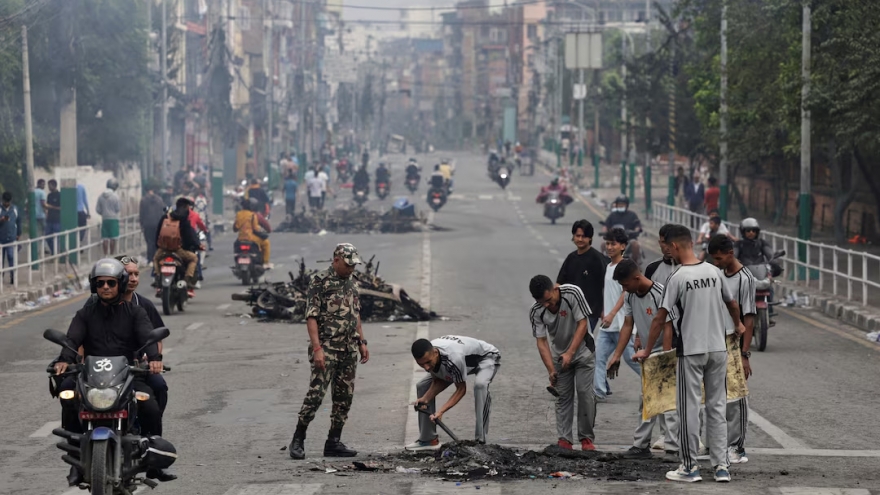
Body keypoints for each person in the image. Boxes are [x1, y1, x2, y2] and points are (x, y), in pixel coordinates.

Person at [633, 224, 745, 483]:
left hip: (691, 352)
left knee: (689, 409)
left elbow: (660, 319)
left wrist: (647, 350)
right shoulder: (714, 272)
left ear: (674, 246)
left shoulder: (678, 277)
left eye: (666, 246)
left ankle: (689, 467)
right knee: (717, 408)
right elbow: (732, 303)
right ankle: (721, 468)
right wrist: (737, 325)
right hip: (718, 349)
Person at [52, 259, 165, 486]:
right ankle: (76, 461)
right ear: (95, 286)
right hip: (91, 374)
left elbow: (147, 335)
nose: (105, 287)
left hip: (128, 374)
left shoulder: (135, 312)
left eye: (111, 283)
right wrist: (64, 360)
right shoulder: (85, 313)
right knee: (67, 393)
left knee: (150, 404)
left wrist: (154, 359)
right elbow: (73, 338)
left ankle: (152, 458)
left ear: (119, 284)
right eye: (100, 283)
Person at [288, 243, 370, 460]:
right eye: (347, 264)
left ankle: (333, 442)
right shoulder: (320, 281)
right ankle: (298, 438)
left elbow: (356, 314)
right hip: (327, 348)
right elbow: (311, 316)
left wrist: (362, 341)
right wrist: (317, 349)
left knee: (344, 398)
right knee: (316, 395)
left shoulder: (352, 282)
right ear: (336, 260)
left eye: (354, 265)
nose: (351, 268)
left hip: (349, 348)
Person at [607, 259, 678, 459]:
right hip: (647, 352)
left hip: (665, 352)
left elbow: (668, 326)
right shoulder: (630, 296)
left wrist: (664, 358)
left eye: (626, 284)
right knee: (647, 401)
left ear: (637, 278)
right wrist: (617, 355)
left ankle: (673, 447)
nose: (624, 288)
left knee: (668, 403)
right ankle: (641, 445)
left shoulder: (660, 293)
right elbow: (628, 325)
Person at [529, 275, 597, 451]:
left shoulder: (572, 293)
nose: (546, 305)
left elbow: (583, 323)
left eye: (548, 300)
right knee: (562, 397)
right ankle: (565, 440)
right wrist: (551, 370)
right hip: (560, 356)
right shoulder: (536, 310)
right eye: (541, 302)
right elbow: (542, 341)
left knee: (584, 393)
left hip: (582, 351)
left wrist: (571, 352)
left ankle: (586, 439)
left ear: (555, 289)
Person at [708, 235, 756, 465]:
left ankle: (737, 447)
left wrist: (744, 354)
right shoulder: (717, 274)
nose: (716, 262)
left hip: (734, 342)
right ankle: (718, 444)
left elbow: (749, 317)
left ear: (730, 253)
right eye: (713, 259)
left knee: (736, 396)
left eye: (719, 258)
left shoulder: (745, 279)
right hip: (717, 338)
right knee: (715, 393)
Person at [406, 336, 501, 450]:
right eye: (421, 364)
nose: (426, 367)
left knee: (480, 386)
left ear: (435, 353)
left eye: (428, 362)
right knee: (423, 386)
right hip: (461, 361)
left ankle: (480, 442)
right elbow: (438, 380)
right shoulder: (430, 354)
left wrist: (441, 411)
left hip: (486, 357)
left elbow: (461, 389)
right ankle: (429, 440)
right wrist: (425, 398)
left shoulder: (453, 358)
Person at [594, 228, 640, 400]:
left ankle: (653, 381)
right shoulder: (608, 266)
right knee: (598, 358)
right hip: (607, 326)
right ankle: (599, 392)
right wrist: (604, 311)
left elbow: (625, 293)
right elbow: (610, 292)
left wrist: (613, 313)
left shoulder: (625, 267)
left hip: (622, 325)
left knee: (631, 360)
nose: (609, 247)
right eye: (607, 243)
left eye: (613, 244)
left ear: (623, 246)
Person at [557, 220, 608, 332]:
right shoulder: (571, 258)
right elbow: (559, 283)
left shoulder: (597, 259)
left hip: (590, 311)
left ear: (590, 238)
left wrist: (605, 309)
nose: (580, 239)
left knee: (581, 343)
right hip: (571, 311)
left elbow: (606, 285)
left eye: (584, 236)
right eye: (577, 236)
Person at [153, 197, 201, 294]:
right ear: (187, 207)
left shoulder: (165, 217)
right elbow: (191, 237)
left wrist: (159, 246)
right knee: (194, 258)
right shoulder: (184, 221)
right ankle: (187, 280)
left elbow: (158, 233)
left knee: (156, 259)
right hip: (179, 251)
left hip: (164, 250)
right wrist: (197, 245)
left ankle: (158, 277)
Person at [234, 198, 272, 268]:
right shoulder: (253, 215)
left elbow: (235, 228)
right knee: (266, 243)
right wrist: (262, 232)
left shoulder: (239, 214)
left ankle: (237, 263)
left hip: (241, 239)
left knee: (236, 246)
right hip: (251, 238)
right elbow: (256, 228)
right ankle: (266, 263)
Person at [140, 185, 167, 265]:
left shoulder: (143, 200)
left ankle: (150, 259)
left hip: (147, 224)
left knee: (149, 242)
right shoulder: (159, 200)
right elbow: (163, 212)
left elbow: (142, 214)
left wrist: (142, 224)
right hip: (158, 223)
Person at [96, 178, 122, 255]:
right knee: (113, 238)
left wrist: (103, 213)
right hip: (113, 219)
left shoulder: (101, 196)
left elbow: (98, 209)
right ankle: (111, 254)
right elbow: (118, 208)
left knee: (105, 238)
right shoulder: (115, 197)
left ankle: (105, 255)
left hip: (104, 219)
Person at [0, 192, 21, 284]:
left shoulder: (15, 209)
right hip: (1, 238)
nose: (6, 203)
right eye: (5, 202)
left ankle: (13, 276)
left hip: (11, 237)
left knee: (11, 257)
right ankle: (1, 275)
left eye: (8, 202)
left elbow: (19, 221)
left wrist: (19, 233)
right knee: (0, 259)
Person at [45, 180, 62, 255]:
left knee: (56, 237)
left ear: (54, 185)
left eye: (50, 186)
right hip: (49, 220)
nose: (48, 187)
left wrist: (51, 207)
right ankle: (53, 251)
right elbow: (47, 207)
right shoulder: (49, 195)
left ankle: (56, 253)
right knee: (47, 237)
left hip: (57, 219)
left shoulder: (60, 195)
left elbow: (61, 208)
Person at [34, 179, 47, 243]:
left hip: (34, 215)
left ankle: (37, 246)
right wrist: (47, 210)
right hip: (41, 215)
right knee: (44, 231)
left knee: (36, 231)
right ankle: (43, 246)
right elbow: (43, 204)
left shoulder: (32, 191)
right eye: (43, 184)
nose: (44, 186)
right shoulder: (42, 192)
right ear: (38, 184)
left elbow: (27, 204)